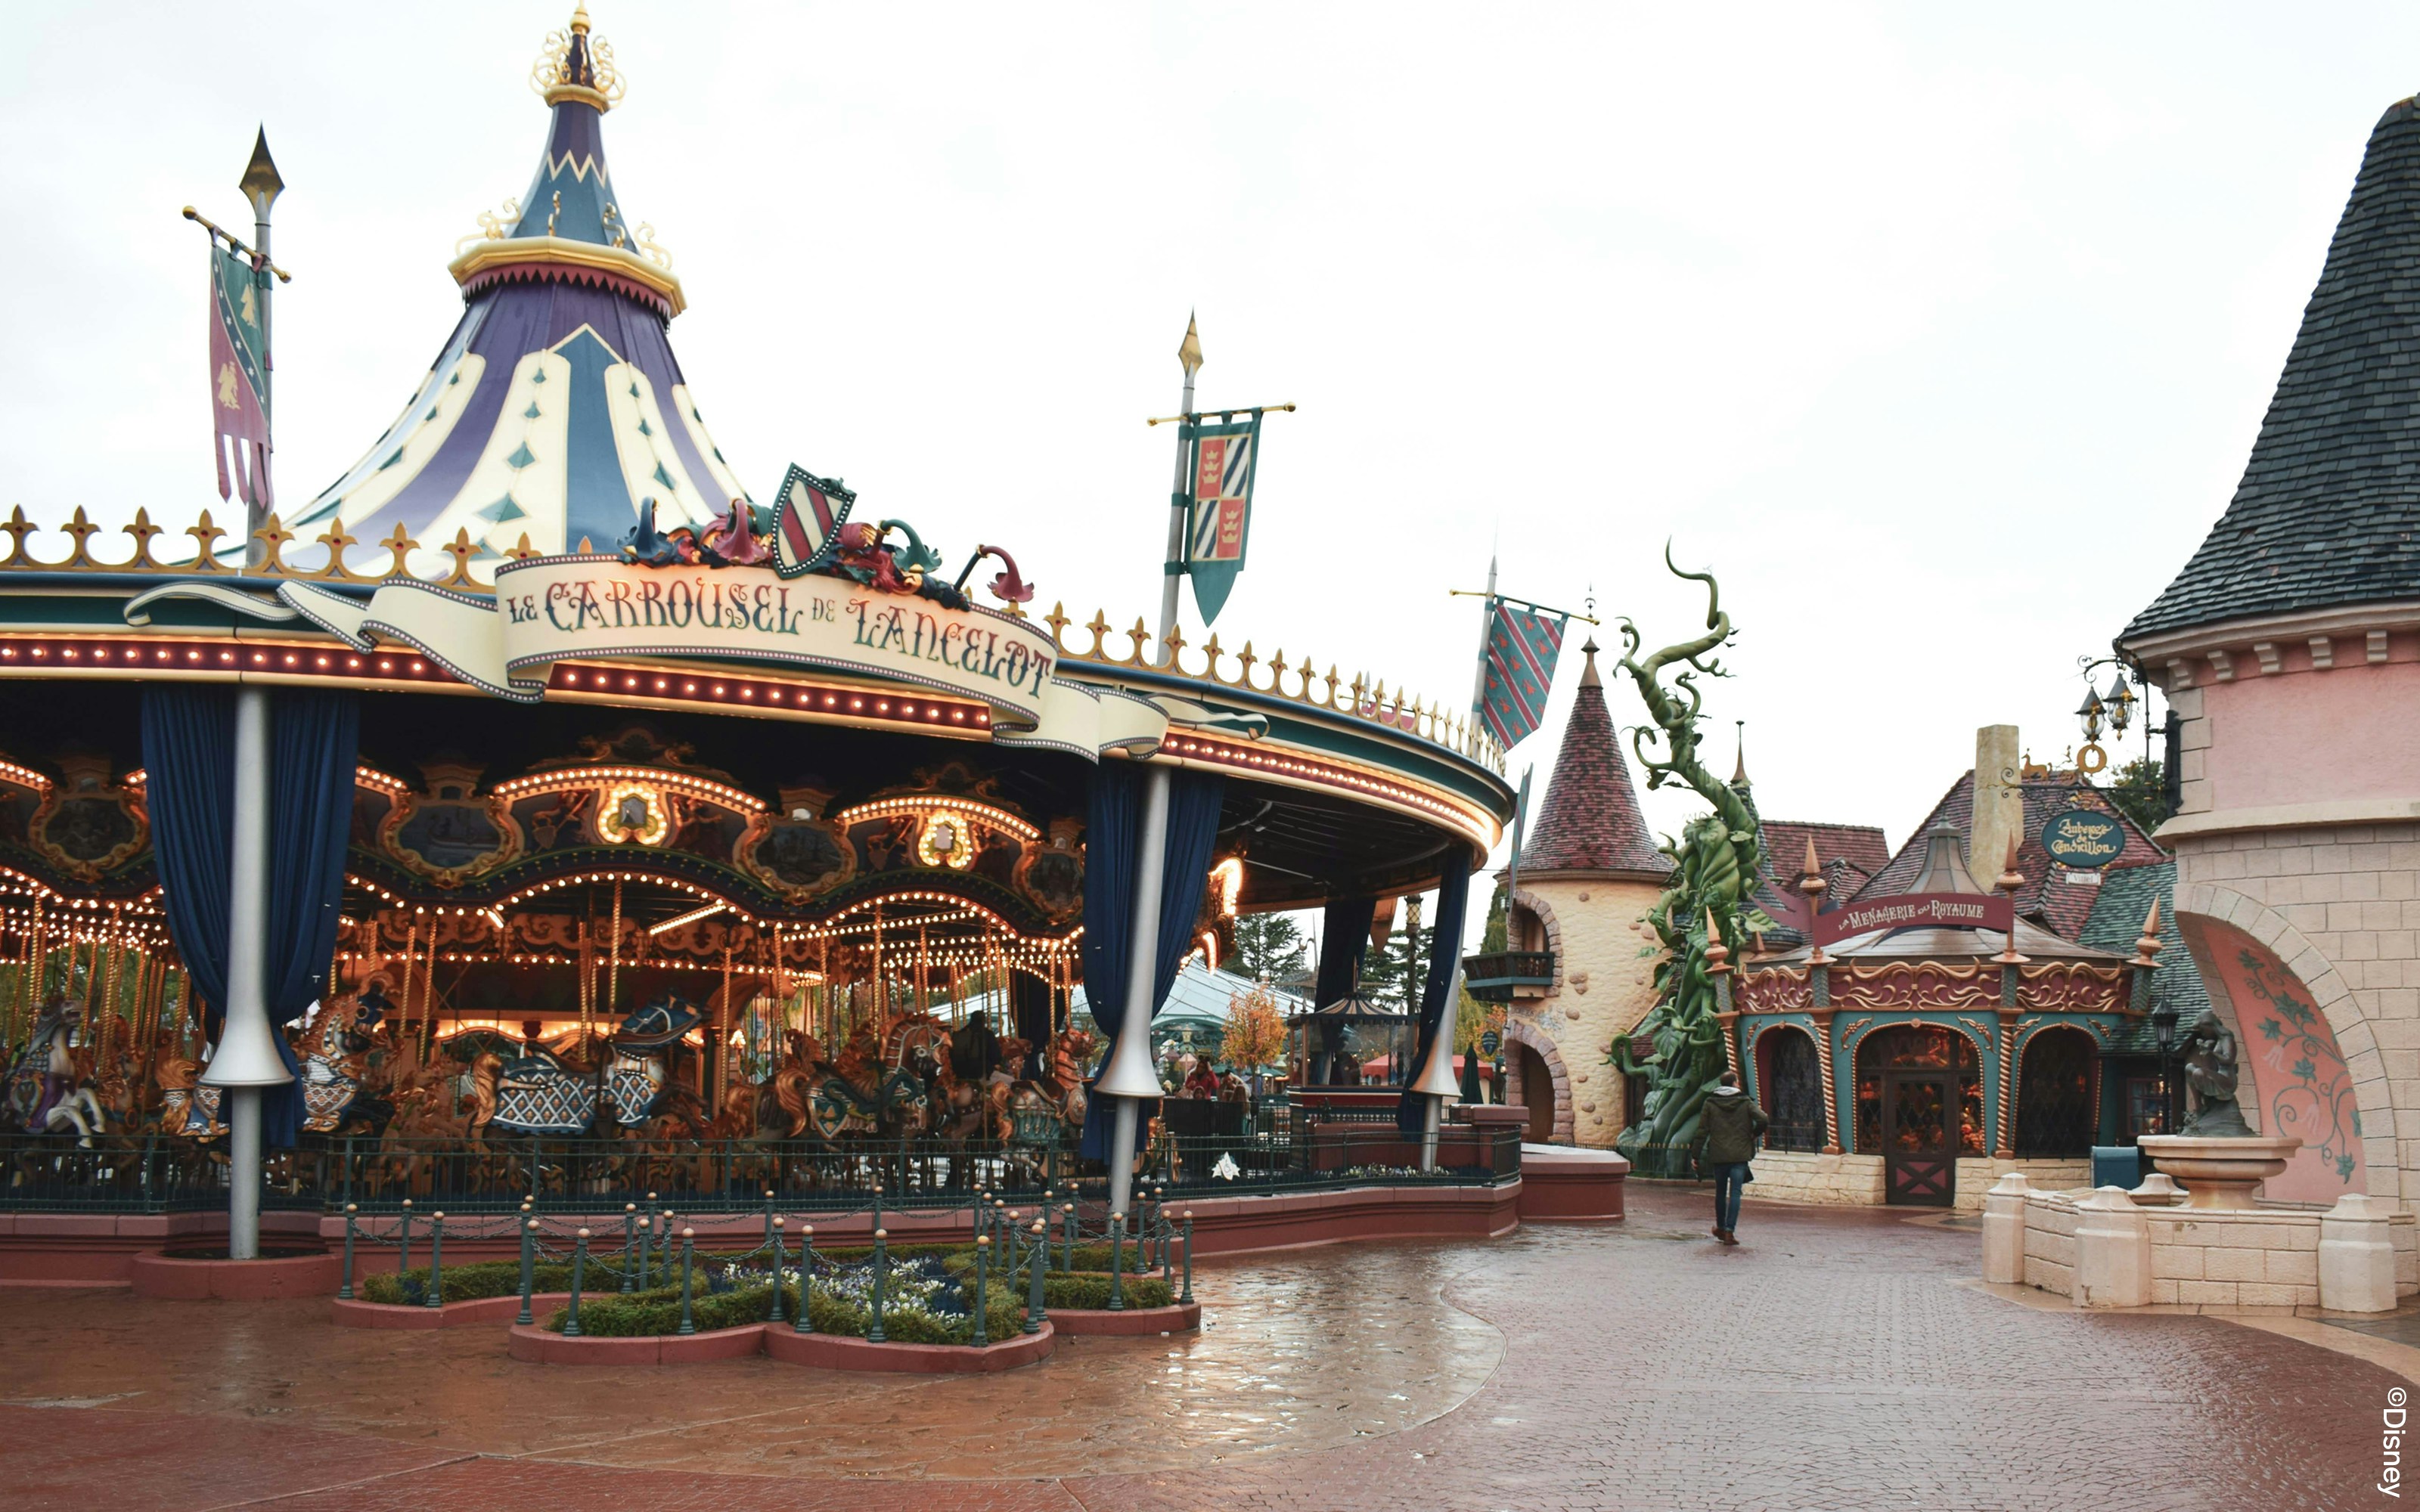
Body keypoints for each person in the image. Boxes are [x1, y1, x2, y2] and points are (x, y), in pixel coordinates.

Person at [1697, 1070, 1767, 1246]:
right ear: (1735, 1083)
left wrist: (1695, 1154)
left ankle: (1720, 1227)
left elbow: (1702, 1130)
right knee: (1735, 1192)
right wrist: (1754, 1134)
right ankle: (1730, 1231)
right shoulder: (1745, 1102)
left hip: (1719, 1154)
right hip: (1739, 1154)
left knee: (1720, 1192)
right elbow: (1763, 1118)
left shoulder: (1710, 1103)